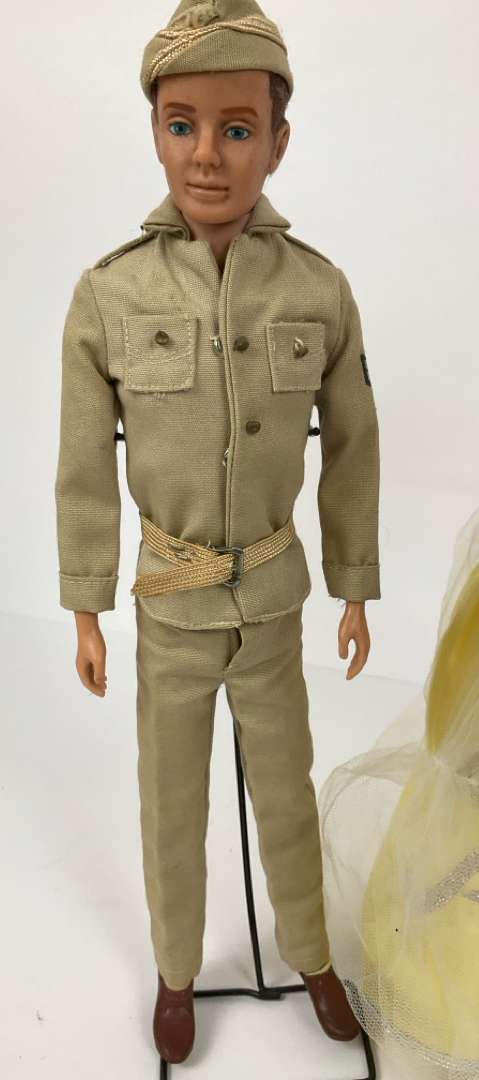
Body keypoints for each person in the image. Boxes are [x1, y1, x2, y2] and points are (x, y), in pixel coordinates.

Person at [55, 0, 380, 1064]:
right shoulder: (109, 294)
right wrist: (85, 607)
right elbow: (82, 467)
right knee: (171, 802)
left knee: (285, 790)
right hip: (170, 609)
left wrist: (355, 586)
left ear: (277, 142)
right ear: (154, 132)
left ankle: (311, 956)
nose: (207, 155)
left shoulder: (318, 289)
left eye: (237, 128)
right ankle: (175, 972)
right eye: (182, 125)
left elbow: (353, 446)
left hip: (274, 604)